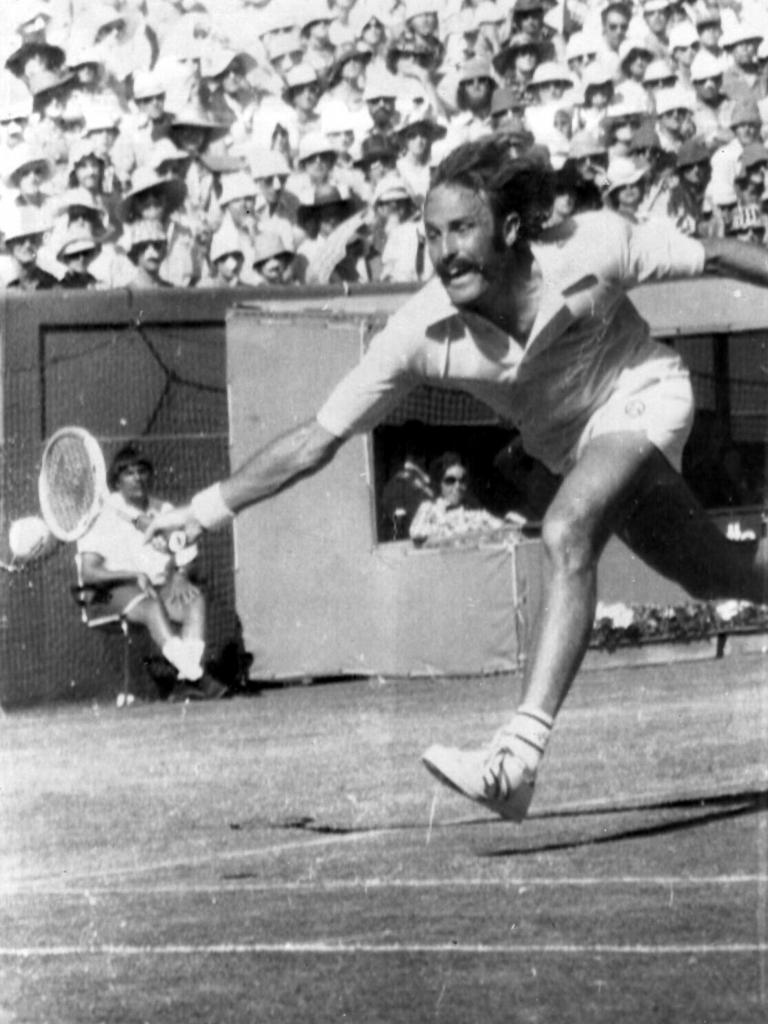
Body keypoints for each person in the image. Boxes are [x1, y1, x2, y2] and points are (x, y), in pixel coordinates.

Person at [146, 135, 768, 824]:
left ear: (506, 229)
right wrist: (201, 511)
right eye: (433, 235)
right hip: (574, 444)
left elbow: (713, 252)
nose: (447, 252)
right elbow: (316, 441)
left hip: (646, 390)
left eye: (463, 229)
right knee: (719, 575)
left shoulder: (595, 244)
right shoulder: (417, 331)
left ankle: (516, 761)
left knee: (567, 530)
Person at [78, 445, 228, 701]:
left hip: (155, 589)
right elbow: (89, 572)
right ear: (116, 481)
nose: (137, 478)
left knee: (193, 600)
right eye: (129, 473)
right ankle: (197, 676)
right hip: (105, 594)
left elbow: (186, 555)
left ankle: (186, 681)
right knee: (150, 606)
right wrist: (132, 575)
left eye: (142, 471)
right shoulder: (101, 516)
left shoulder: (164, 510)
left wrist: (181, 575)